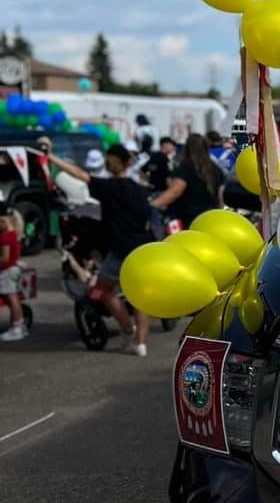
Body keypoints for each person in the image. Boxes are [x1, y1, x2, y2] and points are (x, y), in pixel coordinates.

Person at [42, 142, 154, 355]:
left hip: (120, 249)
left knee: (102, 291)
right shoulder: (140, 189)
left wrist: (52, 158)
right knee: (141, 297)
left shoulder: (108, 187)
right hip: (143, 248)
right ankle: (141, 344)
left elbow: (79, 174)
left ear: (111, 163)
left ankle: (127, 330)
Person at [149, 132, 224, 227]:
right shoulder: (216, 169)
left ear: (187, 148)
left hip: (191, 220)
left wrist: (153, 205)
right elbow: (221, 197)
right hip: (212, 218)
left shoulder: (186, 168)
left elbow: (175, 192)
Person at [0, 200, 27, 342]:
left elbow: (5, 258)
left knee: (12, 298)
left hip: (7, 271)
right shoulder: (12, 234)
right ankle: (19, 326)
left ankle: (17, 328)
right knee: (11, 298)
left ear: (3, 221)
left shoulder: (5, 236)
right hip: (11, 269)